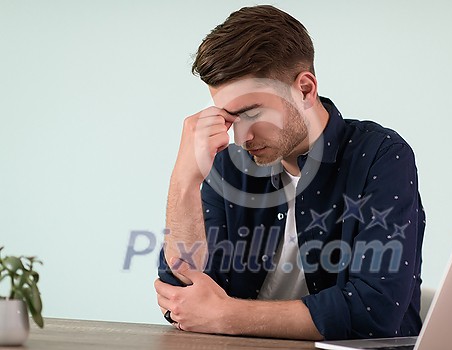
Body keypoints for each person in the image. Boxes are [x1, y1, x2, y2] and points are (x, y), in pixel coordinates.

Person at [155, 5, 425, 341]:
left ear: (305, 90)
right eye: (230, 118)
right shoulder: (225, 162)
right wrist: (184, 180)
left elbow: (374, 311)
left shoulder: (380, 156)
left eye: (252, 112)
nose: (241, 138)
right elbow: (182, 295)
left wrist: (226, 315)